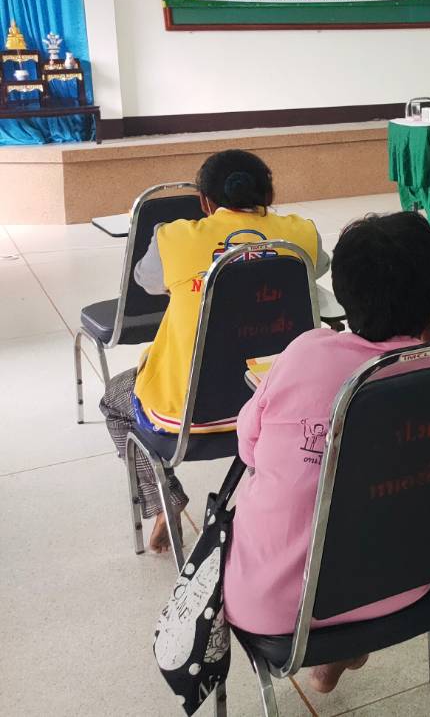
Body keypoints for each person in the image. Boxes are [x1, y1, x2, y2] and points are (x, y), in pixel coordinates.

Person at [223, 212, 430, 695]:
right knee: (386, 499)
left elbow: (250, 451)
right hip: (412, 582)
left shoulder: (304, 353)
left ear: (341, 291)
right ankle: (339, 654)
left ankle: (332, 652)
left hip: (284, 609)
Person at [99, 150, 326, 554]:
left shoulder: (175, 238)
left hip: (189, 420)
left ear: (204, 201)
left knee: (115, 396)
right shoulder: (301, 234)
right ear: (269, 194)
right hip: (283, 410)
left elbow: (146, 281)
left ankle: (163, 501)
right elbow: (317, 269)